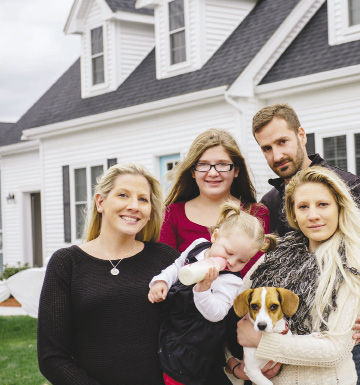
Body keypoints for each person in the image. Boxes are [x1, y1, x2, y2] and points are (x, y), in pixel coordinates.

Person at [252, 103, 360, 384]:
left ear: (301, 135)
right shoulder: (269, 205)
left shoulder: (351, 187)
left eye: (282, 142)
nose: (277, 155)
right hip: (299, 346)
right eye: (266, 148)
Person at [231, 166, 360, 384]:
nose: (313, 215)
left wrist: (262, 342)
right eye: (303, 206)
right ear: (293, 212)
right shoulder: (276, 253)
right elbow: (232, 310)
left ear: (339, 207)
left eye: (323, 204)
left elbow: (335, 349)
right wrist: (234, 364)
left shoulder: (355, 263)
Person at [37, 162, 180, 385]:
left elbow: (189, 329)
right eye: (123, 195)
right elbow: (51, 357)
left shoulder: (166, 260)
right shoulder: (67, 263)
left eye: (143, 199)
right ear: (101, 202)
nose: (134, 206)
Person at [148, 201, 277, 385]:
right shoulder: (198, 245)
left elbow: (217, 314)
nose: (232, 262)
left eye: (242, 260)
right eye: (229, 252)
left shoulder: (232, 281)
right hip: (172, 324)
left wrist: (204, 290)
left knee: (177, 376)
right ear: (215, 236)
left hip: (194, 340)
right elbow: (177, 266)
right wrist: (161, 281)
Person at [160, 128, 269, 277]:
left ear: (236, 170)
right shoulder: (172, 215)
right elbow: (166, 273)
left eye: (222, 164)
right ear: (193, 171)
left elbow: (260, 274)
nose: (212, 173)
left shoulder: (257, 214)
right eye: (203, 164)